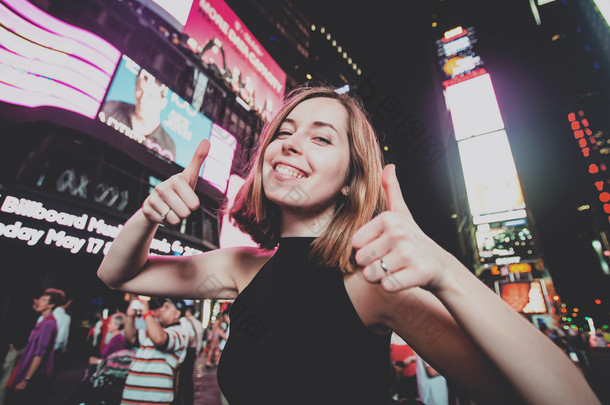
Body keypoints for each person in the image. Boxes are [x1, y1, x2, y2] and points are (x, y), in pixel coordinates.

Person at [98, 85, 600, 404]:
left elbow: (566, 397)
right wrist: (147, 215)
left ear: (349, 179)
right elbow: (117, 274)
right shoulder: (241, 268)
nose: (290, 143)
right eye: (285, 132)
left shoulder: (372, 285)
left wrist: (446, 272)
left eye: (321, 138)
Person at [120, 297, 190, 405]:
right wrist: (130, 316)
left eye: (166, 307)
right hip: (133, 396)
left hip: (153, 398)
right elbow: (131, 337)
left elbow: (159, 339)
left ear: (177, 314)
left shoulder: (180, 332)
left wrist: (147, 314)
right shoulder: (157, 331)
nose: (161, 309)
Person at [101, 69, 176, 161]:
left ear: (163, 103)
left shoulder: (167, 147)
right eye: (139, 90)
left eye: (150, 95)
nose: (142, 99)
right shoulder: (110, 108)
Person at [8, 289, 63, 405]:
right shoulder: (44, 321)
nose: (39, 302)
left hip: (33, 372)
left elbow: (40, 353)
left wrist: (26, 379)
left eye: (43, 300)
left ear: (51, 305)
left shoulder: (48, 324)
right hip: (28, 366)